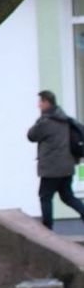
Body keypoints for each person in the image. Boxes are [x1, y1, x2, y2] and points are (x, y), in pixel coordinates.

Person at [26, 89, 84, 230]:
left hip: (52, 169)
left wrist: (40, 119)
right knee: (67, 196)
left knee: (45, 197)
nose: (38, 105)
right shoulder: (65, 119)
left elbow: (31, 135)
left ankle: (47, 229)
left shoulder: (46, 122)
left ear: (46, 102)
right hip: (67, 167)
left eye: (40, 102)